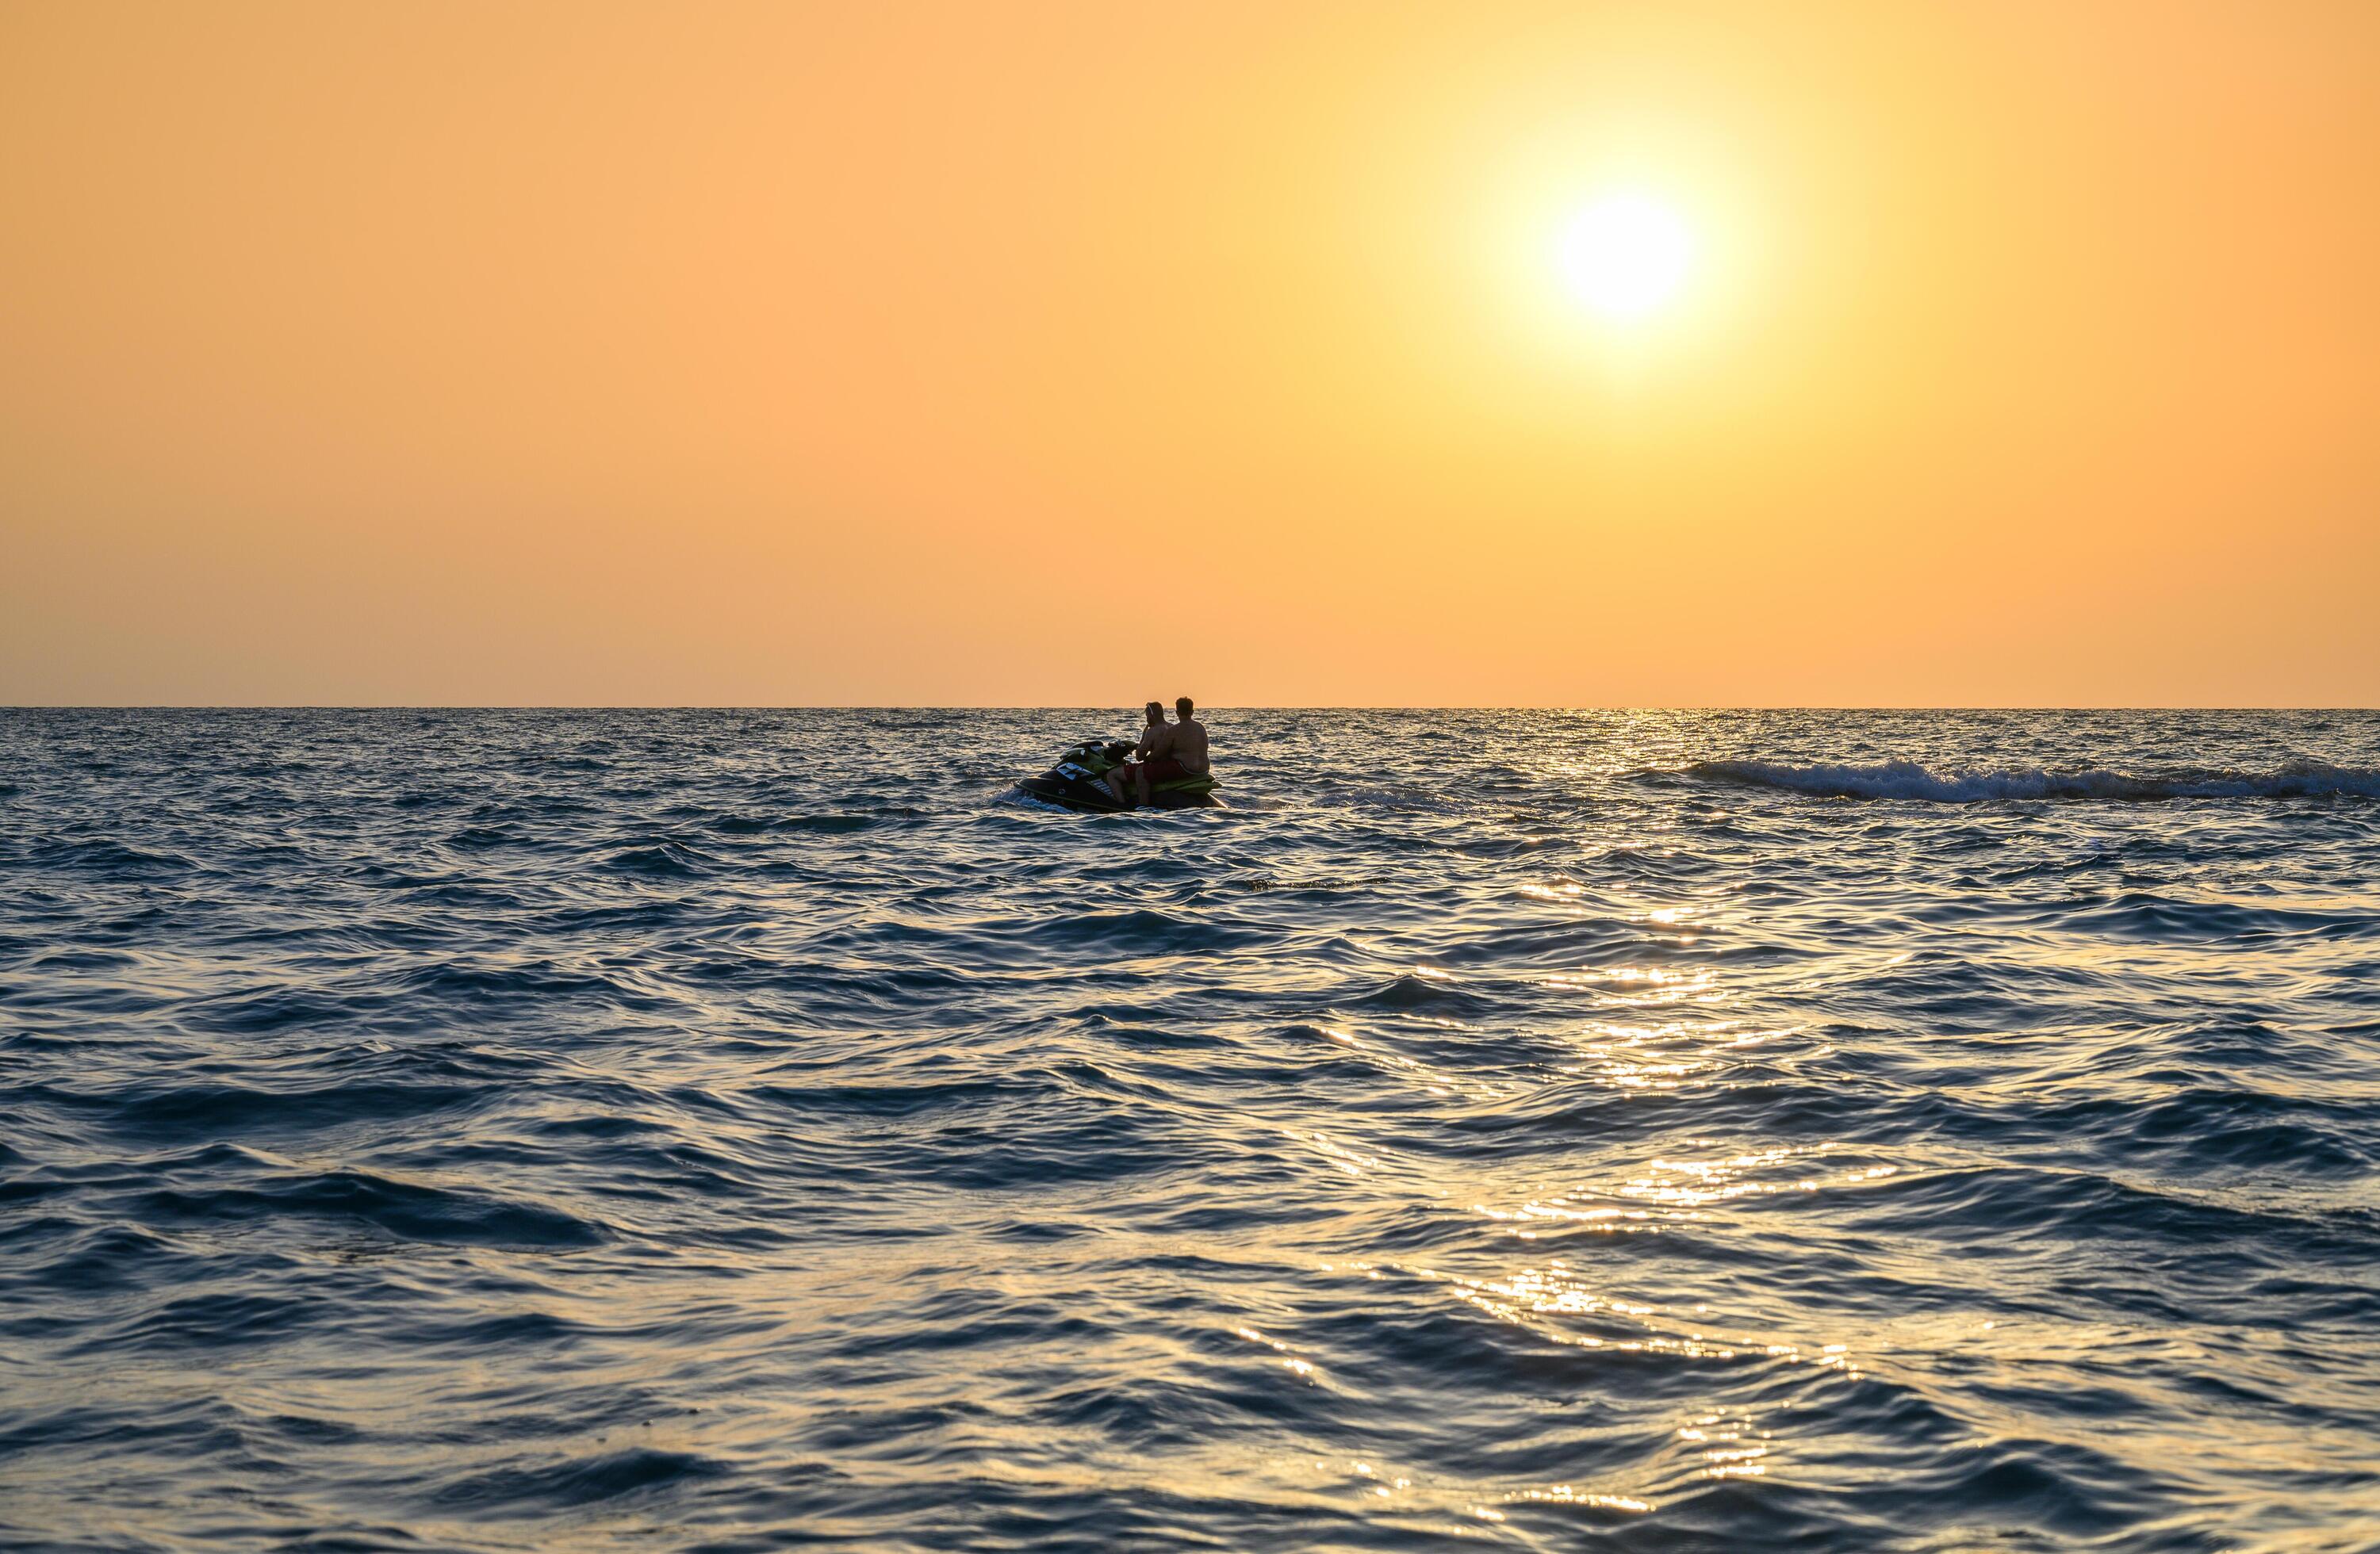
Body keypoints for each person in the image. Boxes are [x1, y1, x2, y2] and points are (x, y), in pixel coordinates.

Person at [1110, 695, 1209, 810]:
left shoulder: (1174, 730)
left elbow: (1159, 753)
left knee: (1141, 772)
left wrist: (1146, 759)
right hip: (1203, 770)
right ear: (1192, 711)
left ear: (1177, 712)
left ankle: (1143, 807)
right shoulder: (1200, 727)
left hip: (1185, 768)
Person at [1104, 702, 1168, 807]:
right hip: (1167, 766)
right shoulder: (1172, 728)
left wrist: (1144, 736)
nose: (1147, 719)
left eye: (1147, 716)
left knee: (1112, 774)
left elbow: (1139, 757)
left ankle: (1122, 805)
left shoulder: (1152, 731)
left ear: (1151, 715)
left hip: (1155, 767)